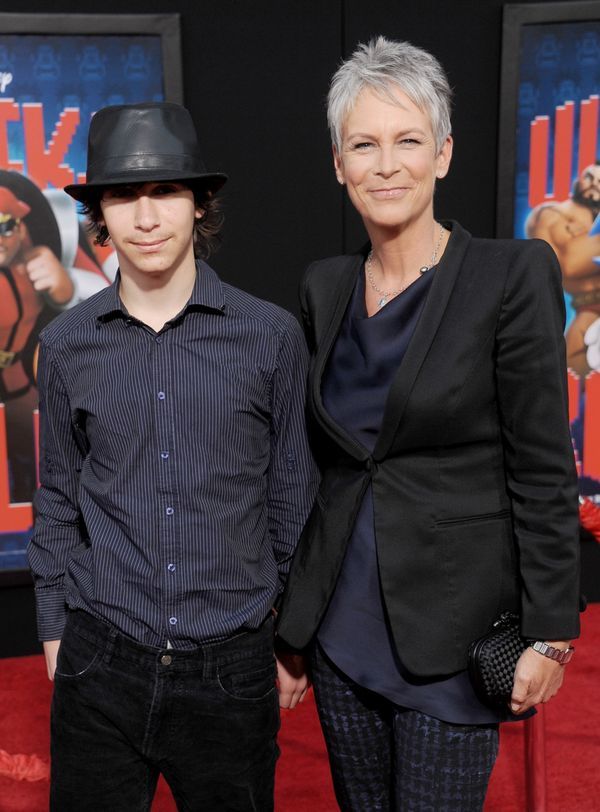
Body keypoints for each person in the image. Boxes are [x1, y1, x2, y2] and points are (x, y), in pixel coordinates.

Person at [276, 37, 580, 811]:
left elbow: (542, 466)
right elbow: (325, 464)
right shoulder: (325, 285)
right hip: (342, 626)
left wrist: (550, 633)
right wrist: (295, 622)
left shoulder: (510, 277)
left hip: (453, 627)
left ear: (443, 154)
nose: (386, 165)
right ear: (337, 163)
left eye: (408, 141)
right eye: (363, 144)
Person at [27, 101, 317, 811]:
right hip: (100, 657)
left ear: (200, 204)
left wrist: (280, 631)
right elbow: (59, 497)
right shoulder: (66, 345)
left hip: (232, 667)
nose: (146, 216)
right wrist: (57, 634)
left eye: (165, 192)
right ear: (99, 213)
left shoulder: (270, 337)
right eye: (123, 195)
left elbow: (291, 493)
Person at [0, 172, 106, 501]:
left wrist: (66, 286)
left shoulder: (46, 251)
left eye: (4, 225)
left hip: (28, 387)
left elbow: (110, 302)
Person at [525, 163, 600, 375]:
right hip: (589, 313)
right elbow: (568, 265)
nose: (594, 185)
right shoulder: (553, 215)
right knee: (574, 381)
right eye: (589, 177)